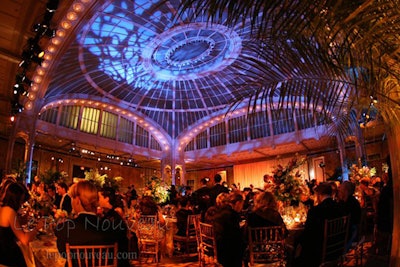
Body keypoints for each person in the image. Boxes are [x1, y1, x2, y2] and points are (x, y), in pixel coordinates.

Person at [55, 180, 117, 265]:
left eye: (72, 198)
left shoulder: (66, 228)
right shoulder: (110, 228)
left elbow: (63, 253)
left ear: (77, 200)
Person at [294, 182, 345, 267]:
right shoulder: (340, 207)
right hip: (338, 246)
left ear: (319, 194)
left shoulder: (315, 211)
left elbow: (308, 233)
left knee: (297, 246)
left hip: (320, 250)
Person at [0, 179, 45, 267]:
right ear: (15, 199)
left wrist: (21, 220)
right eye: (20, 201)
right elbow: (24, 240)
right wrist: (37, 227)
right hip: (7, 256)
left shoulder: (3, 208)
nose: (21, 204)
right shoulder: (10, 211)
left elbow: (7, 227)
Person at [98, 186, 132, 266]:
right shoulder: (111, 215)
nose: (98, 200)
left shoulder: (112, 218)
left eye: (99, 197)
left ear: (106, 199)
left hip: (114, 260)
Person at [211, 191, 246, 267]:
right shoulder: (232, 214)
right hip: (228, 251)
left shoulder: (220, 211)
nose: (242, 208)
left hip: (218, 246)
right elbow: (236, 235)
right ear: (237, 203)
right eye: (242, 205)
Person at [337, 181, 361, 250]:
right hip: (351, 230)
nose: (339, 191)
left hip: (350, 233)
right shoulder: (352, 201)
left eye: (341, 189)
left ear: (346, 191)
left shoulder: (348, 203)